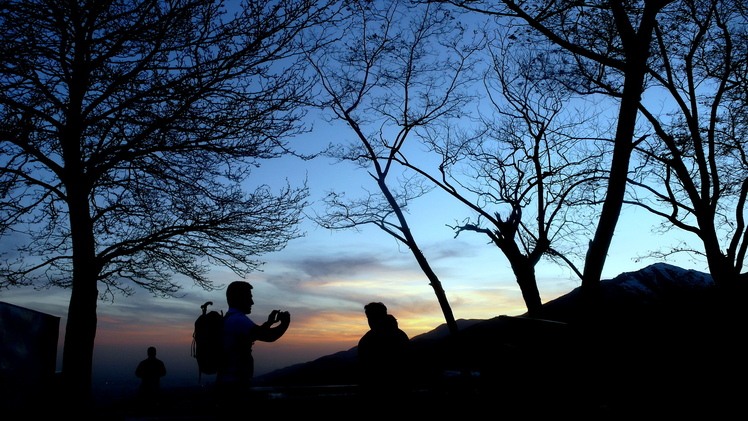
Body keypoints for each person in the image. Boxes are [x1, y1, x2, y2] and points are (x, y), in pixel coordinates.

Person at [216, 281, 290, 412]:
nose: (252, 302)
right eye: (249, 297)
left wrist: (269, 322)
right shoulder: (238, 320)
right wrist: (285, 322)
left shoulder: (231, 318)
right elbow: (268, 336)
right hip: (234, 386)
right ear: (239, 298)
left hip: (228, 382)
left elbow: (255, 334)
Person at [357, 302, 412, 392]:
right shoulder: (399, 335)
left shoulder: (368, 339)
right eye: (369, 317)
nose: (370, 321)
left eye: (373, 317)